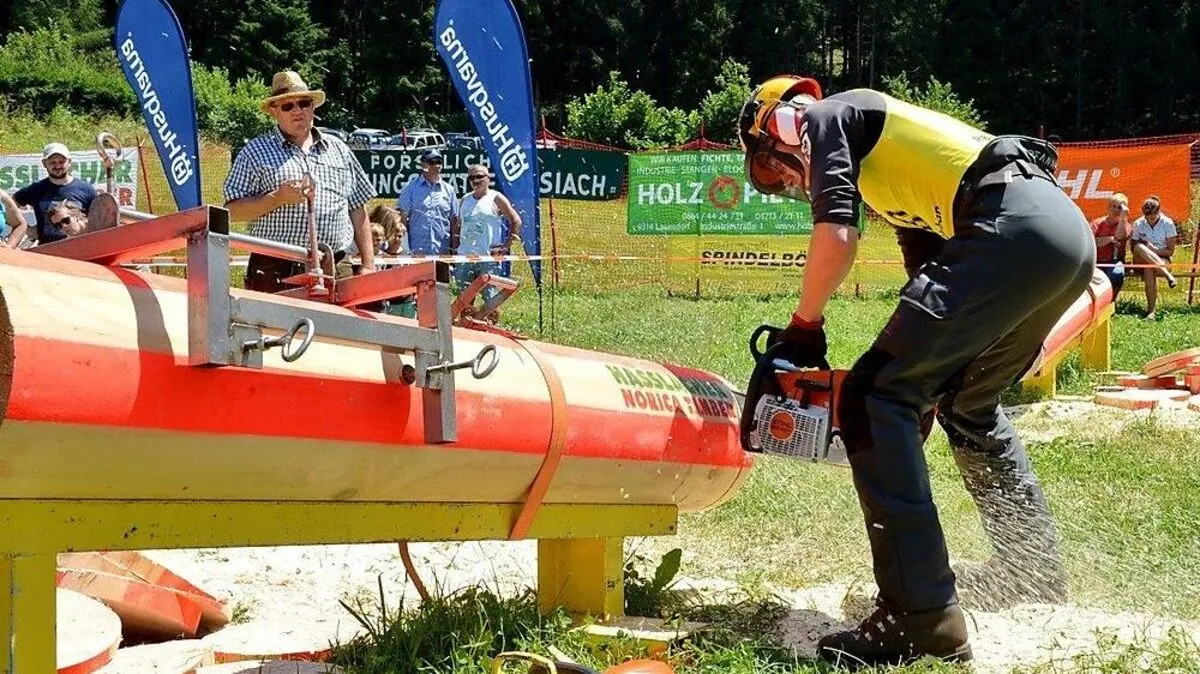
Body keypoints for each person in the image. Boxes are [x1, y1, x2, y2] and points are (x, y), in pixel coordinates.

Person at [738, 76, 1094, 668]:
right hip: (1059, 236)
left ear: (779, 125)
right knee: (965, 406)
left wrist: (804, 328)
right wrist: (927, 371)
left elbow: (837, 235)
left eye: (774, 168)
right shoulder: (895, 178)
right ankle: (1030, 572)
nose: (787, 181)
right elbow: (928, 278)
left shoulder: (827, 115)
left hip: (1011, 223)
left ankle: (919, 617)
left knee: (872, 397)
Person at [223, 71, 377, 292]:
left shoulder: (339, 149)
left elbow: (357, 207)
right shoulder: (254, 152)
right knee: (276, 328)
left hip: (336, 265)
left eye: (303, 103)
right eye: (287, 106)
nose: (297, 111)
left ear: (313, 107)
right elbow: (232, 212)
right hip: (275, 267)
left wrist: (369, 265)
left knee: (337, 328)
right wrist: (277, 198)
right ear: (274, 112)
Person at [455, 164, 521, 304]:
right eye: (472, 177)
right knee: (464, 299)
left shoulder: (496, 198)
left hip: (488, 259)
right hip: (465, 258)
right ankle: (465, 324)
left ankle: (490, 323)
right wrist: (455, 248)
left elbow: (516, 221)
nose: (476, 180)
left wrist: (506, 246)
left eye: (479, 176)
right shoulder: (465, 200)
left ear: (488, 178)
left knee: (490, 300)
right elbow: (459, 226)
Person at [12, 143, 97, 245]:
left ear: (69, 162)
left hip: (82, 247)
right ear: (44, 163)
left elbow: (99, 218)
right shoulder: (36, 189)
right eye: (52, 162)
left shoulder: (86, 189)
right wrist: (25, 227)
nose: (57, 166)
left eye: (61, 162)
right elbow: (10, 205)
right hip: (47, 250)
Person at [396, 149, 459, 256]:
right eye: (432, 162)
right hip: (416, 251)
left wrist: (454, 248)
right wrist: (405, 248)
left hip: (443, 251)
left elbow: (454, 221)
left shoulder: (449, 190)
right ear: (423, 165)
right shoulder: (410, 188)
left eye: (439, 162)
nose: (436, 165)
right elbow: (403, 221)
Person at [1128, 195, 1178, 320]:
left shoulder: (1168, 223)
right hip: (1140, 259)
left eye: (1153, 217)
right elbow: (1133, 248)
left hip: (1162, 260)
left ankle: (1151, 311)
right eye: (1147, 217)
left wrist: (1154, 250)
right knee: (1140, 247)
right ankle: (1168, 276)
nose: (1150, 220)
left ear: (1159, 212)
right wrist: (1146, 248)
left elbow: (1170, 252)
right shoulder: (1138, 223)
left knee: (1149, 268)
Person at [1090, 193, 1130, 297]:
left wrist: (1123, 218)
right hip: (1095, 261)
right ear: (1109, 207)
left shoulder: (1125, 225)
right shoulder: (1096, 223)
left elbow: (1120, 237)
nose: (1116, 210)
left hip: (1115, 261)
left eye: (1119, 208)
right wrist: (1110, 239)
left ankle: (1111, 300)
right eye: (1114, 206)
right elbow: (1094, 243)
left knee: (1117, 274)